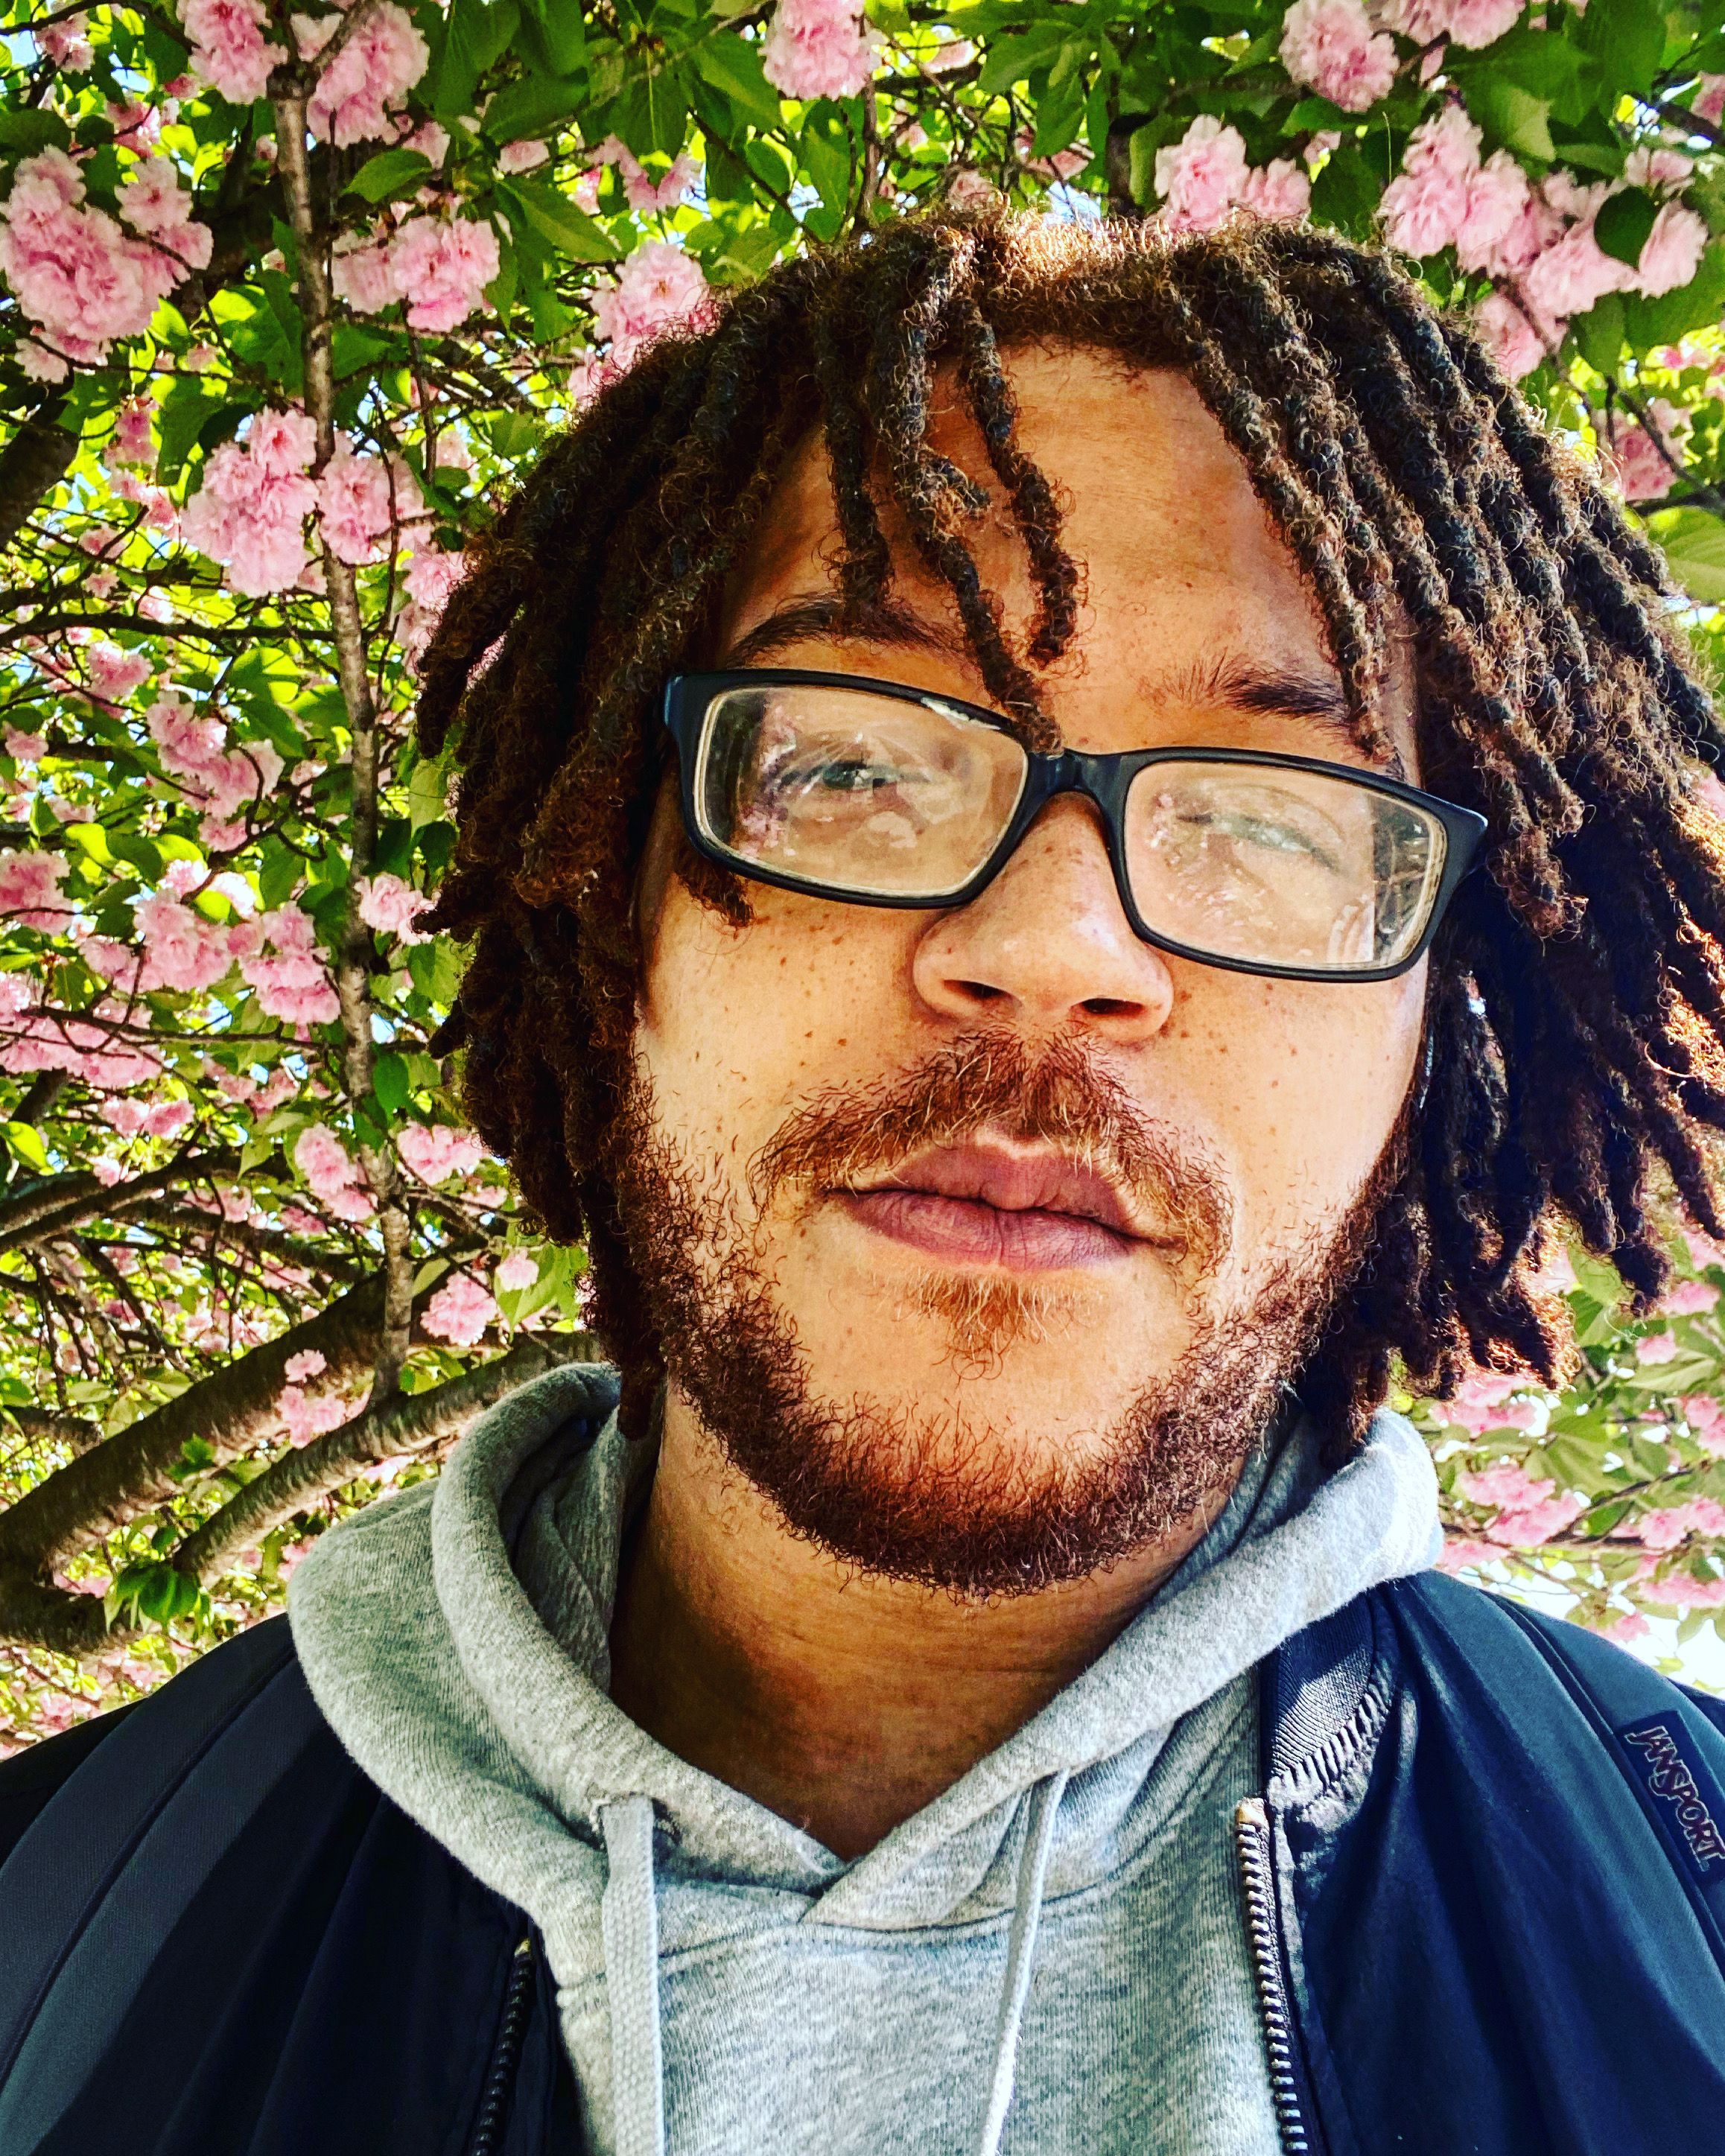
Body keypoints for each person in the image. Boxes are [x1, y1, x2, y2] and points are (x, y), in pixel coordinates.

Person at [4, 211, 1725, 2156]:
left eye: (1270, 822)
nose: (1053, 948)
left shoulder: (1693, 1927)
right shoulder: (46, 1926)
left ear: (1435, 1025)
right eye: (849, 770)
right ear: (610, 913)